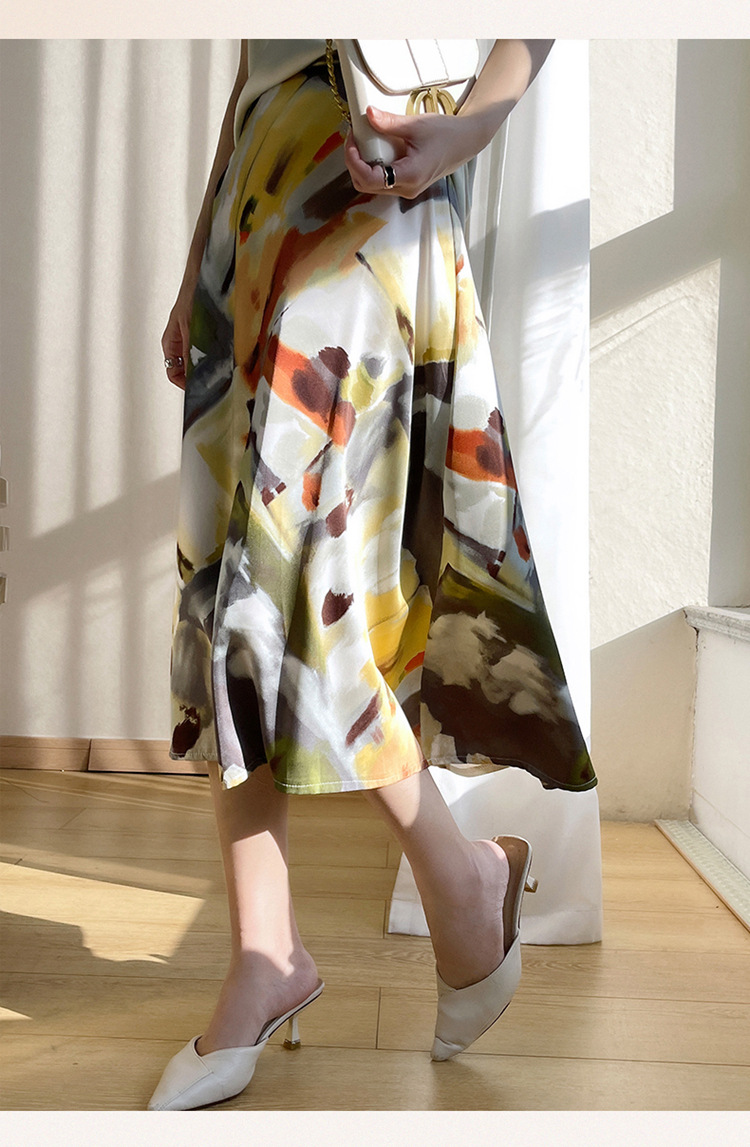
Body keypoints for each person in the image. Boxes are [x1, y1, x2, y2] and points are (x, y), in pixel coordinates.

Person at [149, 38, 596, 1111]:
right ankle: (269, 949)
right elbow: (259, 56)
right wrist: (201, 253)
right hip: (257, 203)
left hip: (375, 180)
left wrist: (475, 126)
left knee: (296, 586)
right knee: (229, 593)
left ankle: (458, 879)